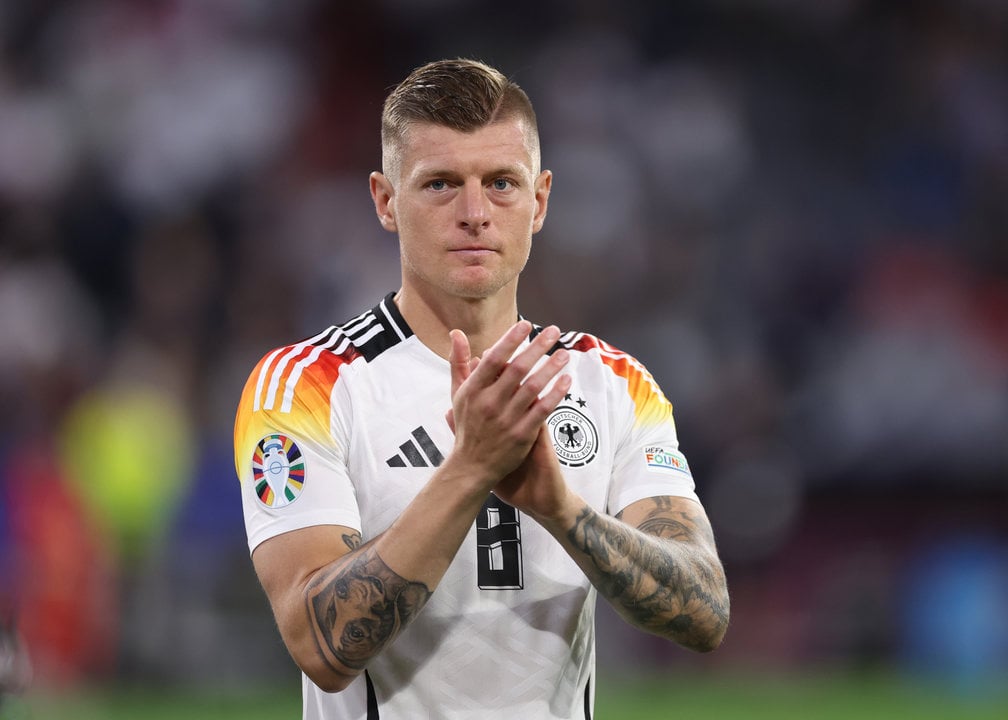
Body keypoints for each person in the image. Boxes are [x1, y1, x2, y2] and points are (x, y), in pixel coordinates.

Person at [233, 57, 729, 719]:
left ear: (541, 200)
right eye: (440, 184)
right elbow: (320, 644)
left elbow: (703, 609)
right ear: (385, 200)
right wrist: (470, 468)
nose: (474, 213)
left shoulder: (612, 383)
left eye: (501, 183)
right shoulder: (305, 387)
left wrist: (562, 509)